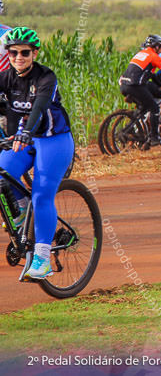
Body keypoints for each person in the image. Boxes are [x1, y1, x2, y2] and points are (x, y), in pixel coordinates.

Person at [0, 28, 75, 279]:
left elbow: (39, 108)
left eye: (24, 52)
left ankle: (42, 258)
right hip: (25, 139)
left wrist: (26, 132)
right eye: (13, 52)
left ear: (35, 53)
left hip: (54, 141)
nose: (18, 57)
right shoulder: (6, 77)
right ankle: (21, 212)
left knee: (43, 196)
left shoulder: (46, 77)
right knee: (2, 175)